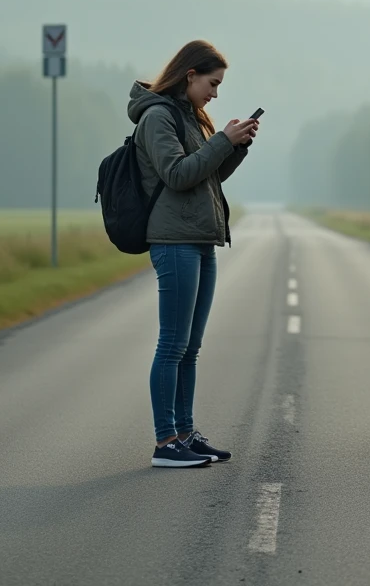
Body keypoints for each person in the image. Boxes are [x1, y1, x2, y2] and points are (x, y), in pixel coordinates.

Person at [127, 40, 258, 468]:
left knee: (190, 347)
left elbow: (207, 176)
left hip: (201, 239)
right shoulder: (157, 116)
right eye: (212, 83)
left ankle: (185, 431)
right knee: (172, 344)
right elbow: (178, 174)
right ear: (190, 75)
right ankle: (166, 443)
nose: (215, 94)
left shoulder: (190, 117)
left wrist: (235, 146)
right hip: (174, 240)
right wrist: (220, 140)